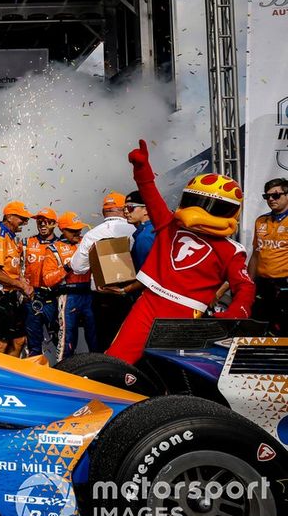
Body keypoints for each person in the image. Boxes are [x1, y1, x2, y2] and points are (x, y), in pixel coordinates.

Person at [105, 141, 255, 364]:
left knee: (172, 372)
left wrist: (236, 314)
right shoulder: (169, 225)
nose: (201, 211)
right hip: (149, 303)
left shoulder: (232, 250)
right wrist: (142, 168)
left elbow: (245, 286)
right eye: (197, 202)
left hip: (186, 316)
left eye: (212, 206)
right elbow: (151, 196)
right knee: (117, 359)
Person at [68, 192, 137, 351]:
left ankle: (102, 374)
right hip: (129, 293)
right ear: (124, 209)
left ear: (103, 212)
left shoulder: (92, 234)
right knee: (129, 343)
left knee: (102, 345)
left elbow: (77, 267)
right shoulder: (134, 230)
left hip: (102, 297)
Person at [0, 201, 34, 356]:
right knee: (1, 343)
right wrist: (21, 285)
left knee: (19, 340)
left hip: (10, 295)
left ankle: (12, 376)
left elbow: (10, 268)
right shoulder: (0, 236)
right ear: (9, 217)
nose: (25, 222)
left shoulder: (11, 237)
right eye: (22, 218)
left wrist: (21, 281)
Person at [23, 208, 67, 358]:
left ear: (54, 224)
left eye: (47, 222)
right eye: (39, 222)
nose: (42, 225)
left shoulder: (62, 245)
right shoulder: (27, 243)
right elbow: (15, 268)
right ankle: (34, 378)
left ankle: (64, 375)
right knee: (33, 344)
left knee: (61, 340)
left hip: (55, 298)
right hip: (32, 297)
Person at [53, 211, 96, 358]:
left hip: (88, 294)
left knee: (95, 337)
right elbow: (47, 279)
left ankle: (99, 369)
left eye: (79, 229)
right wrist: (67, 267)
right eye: (73, 230)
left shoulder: (87, 243)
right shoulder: (54, 249)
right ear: (62, 230)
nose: (78, 232)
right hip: (68, 296)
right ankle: (63, 371)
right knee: (68, 338)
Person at [249, 178, 288, 334]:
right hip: (263, 283)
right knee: (260, 325)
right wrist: (248, 282)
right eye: (267, 196)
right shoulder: (261, 221)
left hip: (285, 283)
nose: (271, 199)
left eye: (276, 195)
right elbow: (256, 253)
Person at [125, 190, 156, 272]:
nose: (125, 211)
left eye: (130, 207)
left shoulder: (145, 236)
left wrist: (129, 286)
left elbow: (147, 274)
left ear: (146, 210)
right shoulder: (151, 229)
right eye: (124, 208)